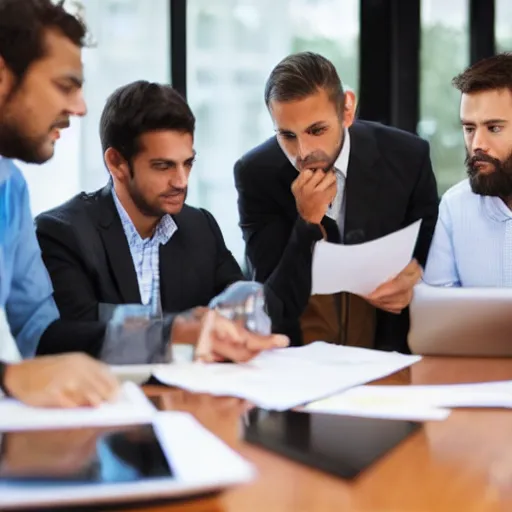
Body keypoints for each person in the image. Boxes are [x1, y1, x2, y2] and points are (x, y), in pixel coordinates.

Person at [0, 0, 287, 408]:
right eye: (65, 85)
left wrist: (182, 330)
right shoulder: (62, 230)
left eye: (188, 163)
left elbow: (43, 333)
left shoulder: (10, 190)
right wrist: (8, 376)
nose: (80, 107)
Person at [35, 80, 285, 357]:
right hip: (109, 394)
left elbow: (241, 306)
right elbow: (73, 337)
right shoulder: (62, 233)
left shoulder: (200, 227)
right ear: (116, 163)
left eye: (187, 163)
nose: (181, 181)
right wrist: (179, 331)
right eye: (163, 166)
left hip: (195, 393)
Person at [234, 52, 439, 352]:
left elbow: (435, 254)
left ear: (347, 109)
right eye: (287, 135)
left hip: (390, 352)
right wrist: (307, 222)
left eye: (317, 130)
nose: (303, 152)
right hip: (297, 358)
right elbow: (273, 305)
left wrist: (418, 279)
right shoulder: (256, 173)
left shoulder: (407, 156)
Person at [424, 53, 512, 288]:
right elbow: (439, 310)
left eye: (494, 128)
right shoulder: (455, 206)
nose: (476, 144)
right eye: (469, 128)